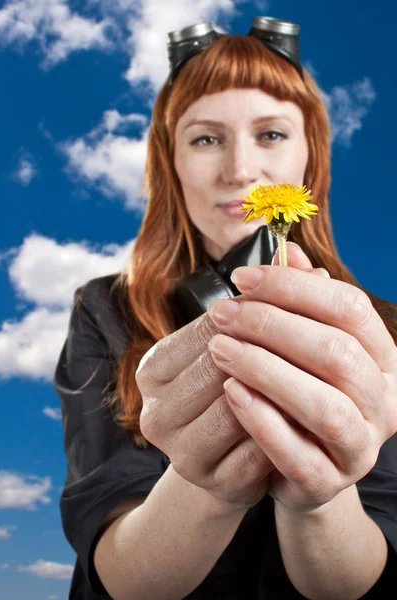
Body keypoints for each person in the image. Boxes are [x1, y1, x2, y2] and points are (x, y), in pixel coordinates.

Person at [53, 16, 397, 600]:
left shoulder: (380, 330)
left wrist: (318, 495)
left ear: (310, 158)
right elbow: (117, 572)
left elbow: (369, 567)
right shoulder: (102, 310)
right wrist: (207, 486)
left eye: (271, 134)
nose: (240, 171)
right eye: (206, 138)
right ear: (172, 163)